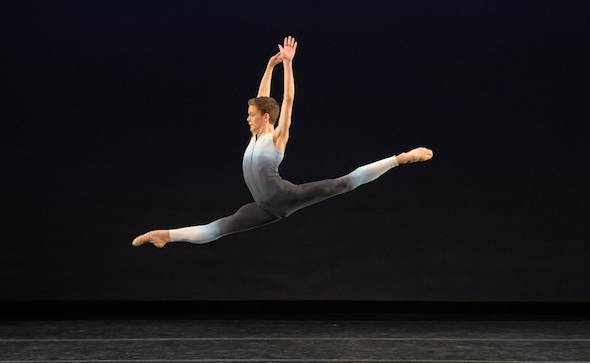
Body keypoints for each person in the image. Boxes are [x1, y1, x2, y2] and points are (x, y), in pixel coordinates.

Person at [132, 36, 432, 248]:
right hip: (264, 207)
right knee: (217, 229)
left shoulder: (276, 137)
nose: (247, 118)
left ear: (264, 117)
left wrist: (288, 64)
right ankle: (165, 235)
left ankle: (400, 158)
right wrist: (270, 66)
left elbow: (286, 99)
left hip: (284, 196)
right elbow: (264, 97)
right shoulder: (256, 135)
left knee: (343, 184)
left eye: (251, 114)